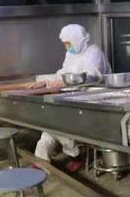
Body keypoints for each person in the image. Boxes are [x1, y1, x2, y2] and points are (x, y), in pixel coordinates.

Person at [32, 24, 111, 171]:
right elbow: (64, 72)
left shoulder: (94, 52)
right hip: (72, 94)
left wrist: (63, 83)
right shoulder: (71, 53)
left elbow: (92, 76)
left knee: (58, 121)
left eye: (69, 43)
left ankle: (75, 154)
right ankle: (42, 158)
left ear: (78, 39)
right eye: (65, 44)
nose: (67, 47)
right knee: (49, 121)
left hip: (92, 97)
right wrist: (47, 81)